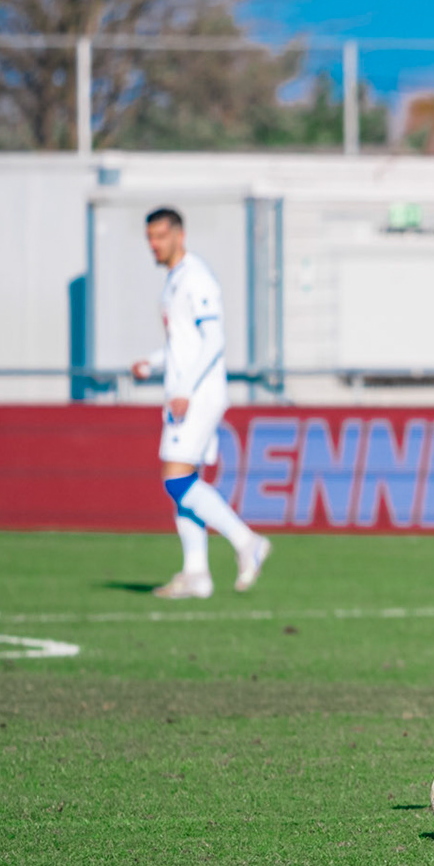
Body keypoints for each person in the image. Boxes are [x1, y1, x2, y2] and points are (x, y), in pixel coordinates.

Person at [128, 209, 269, 600]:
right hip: (187, 392)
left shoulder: (196, 278)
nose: (154, 245)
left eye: (161, 236)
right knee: (185, 483)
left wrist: (186, 389)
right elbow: (184, 345)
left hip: (197, 395)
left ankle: (247, 541)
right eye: (150, 237)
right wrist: (152, 363)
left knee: (175, 479)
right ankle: (197, 575)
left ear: (180, 235)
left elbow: (214, 339)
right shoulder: (174, 281)